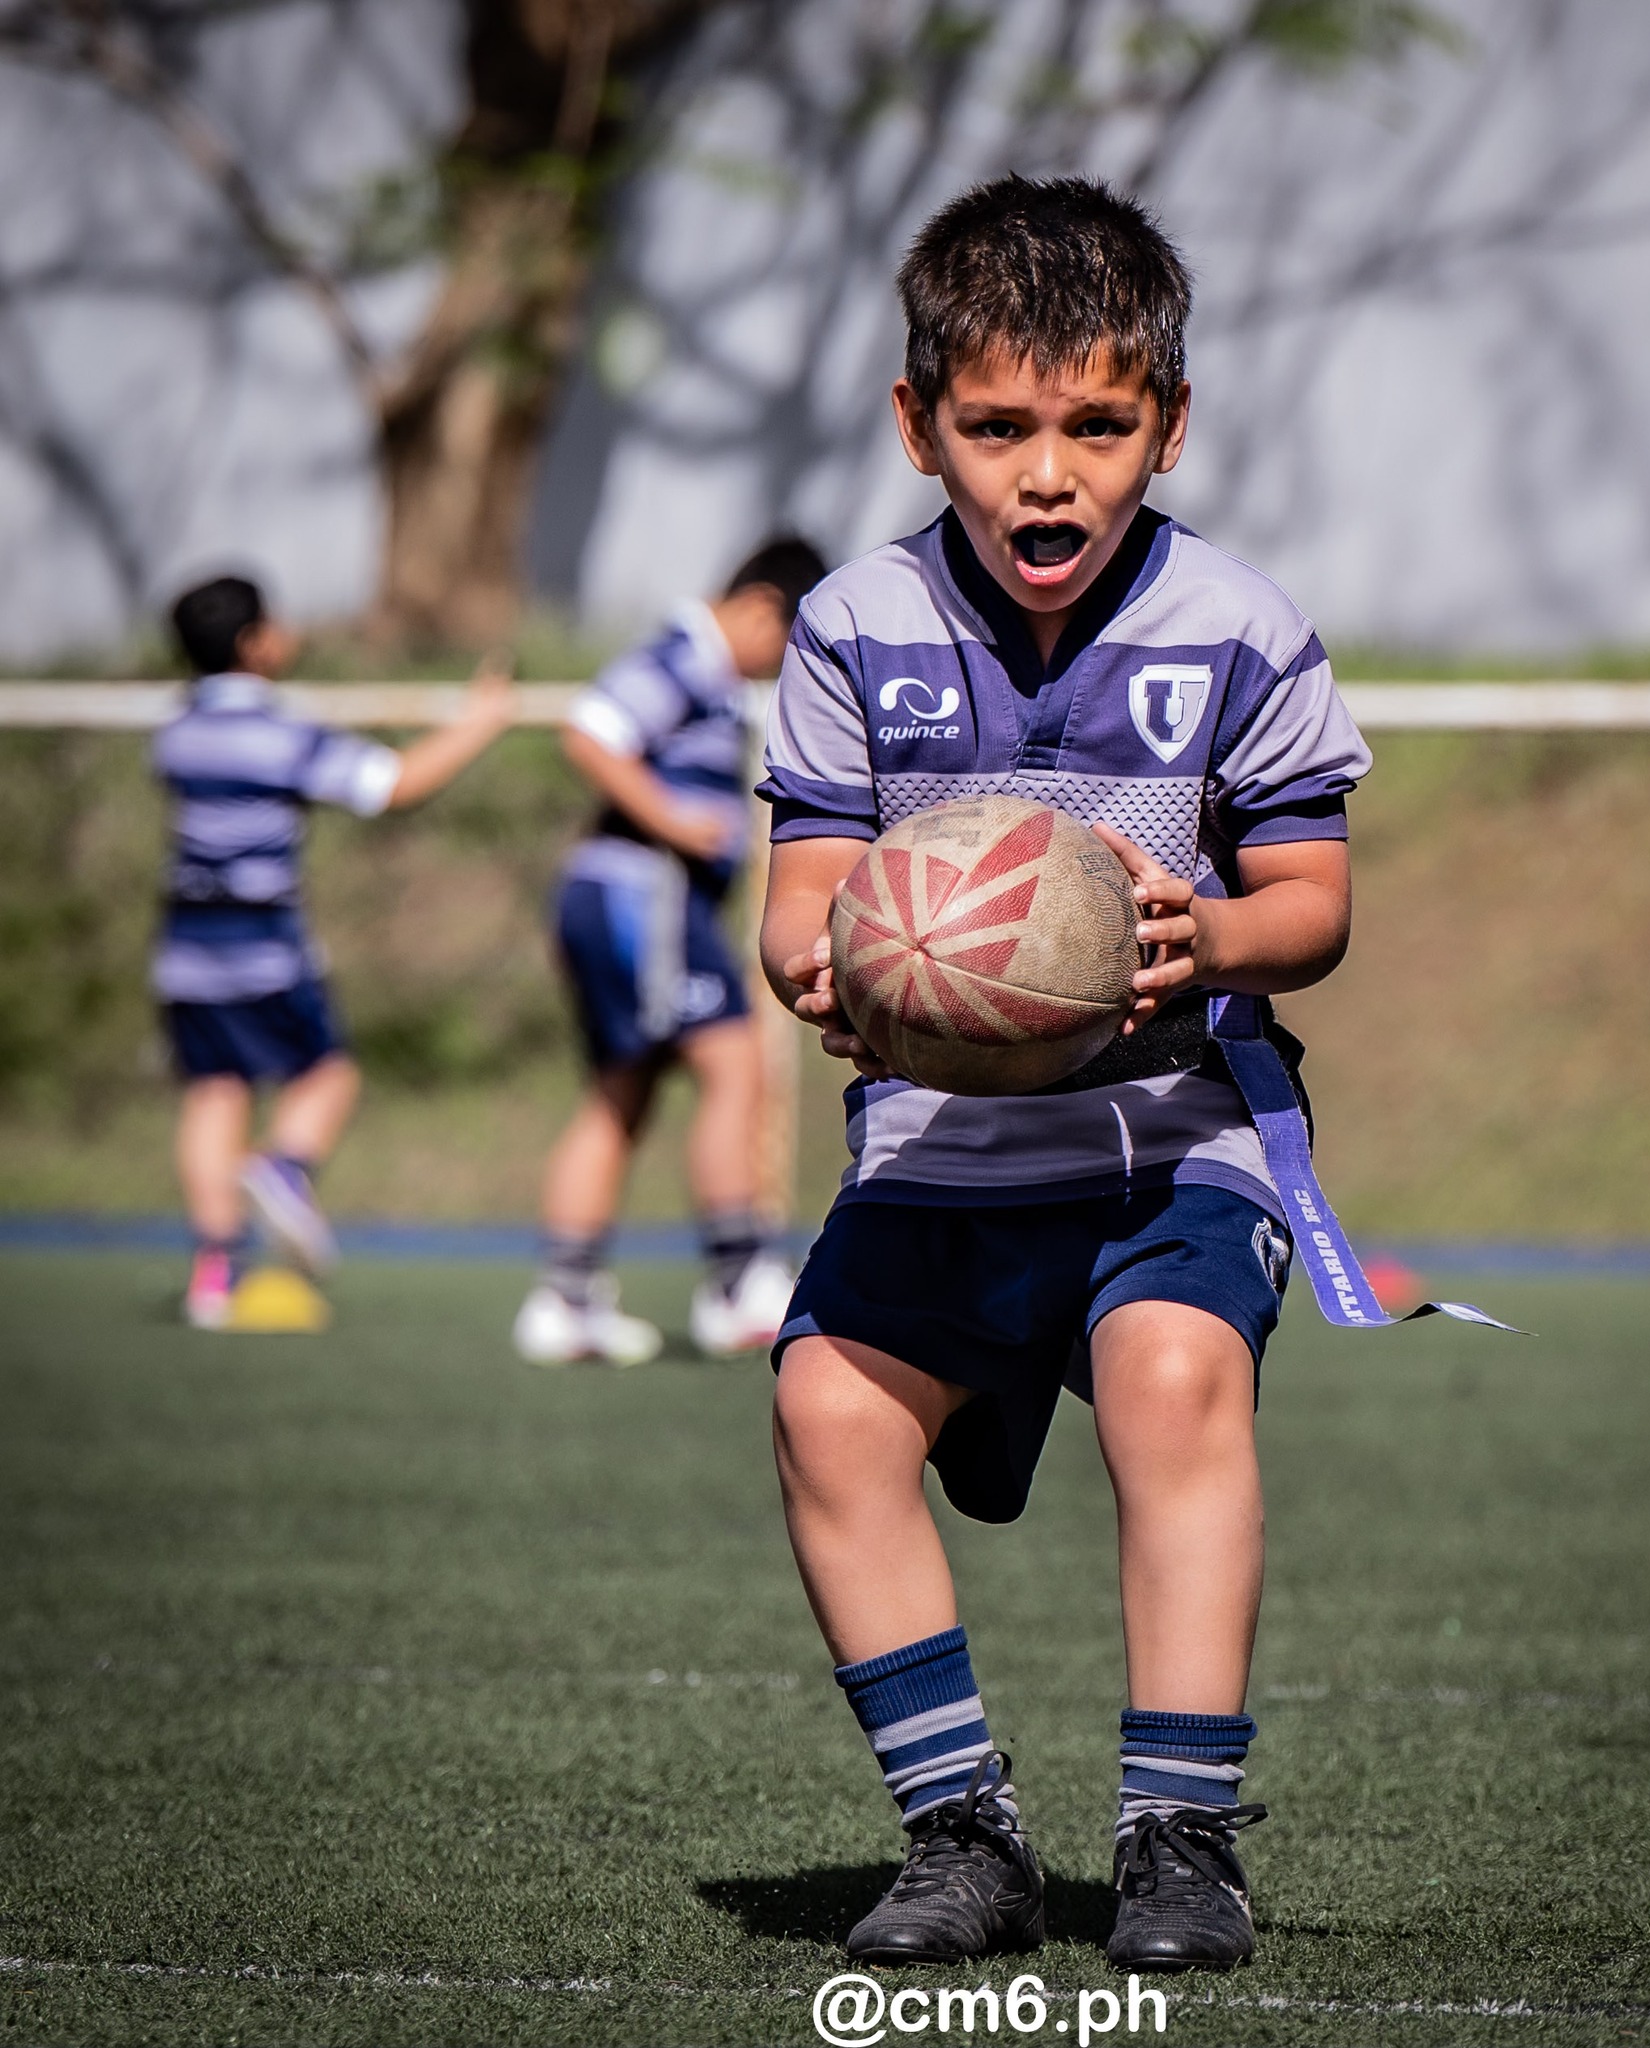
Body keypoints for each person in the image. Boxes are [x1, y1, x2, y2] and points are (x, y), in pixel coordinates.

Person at [757, 176, 1371, 1971]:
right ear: (914, 425)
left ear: (1165, 424)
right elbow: (800, 896)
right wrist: (836, 969)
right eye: (996, 426)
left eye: (1098, 426)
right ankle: (963, 1835)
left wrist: (1214, 938)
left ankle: (1177, 1835)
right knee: (823, 1408)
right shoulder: (849, 630)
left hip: (1171, 1134)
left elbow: (1314, 898)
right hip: (939, 1140)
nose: (1048, 473)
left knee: (1174, 1376)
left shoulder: (1238, 629)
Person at [155, 574, 512, 1330]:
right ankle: (284, 1167)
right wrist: (479, 722)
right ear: (255, 644)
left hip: (186, 953)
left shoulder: (178, 734)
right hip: (262, 951)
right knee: (327, 1073)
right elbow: (391, 783)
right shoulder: (280, 737)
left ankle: (214, 1276)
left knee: (214, 1092)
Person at [512, 538, 828, 1368]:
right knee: (734, 1065)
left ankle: (565, 1297)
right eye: (785, 644)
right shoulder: (684, 656)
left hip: (636, 898)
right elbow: (591, 731)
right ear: (762, 607)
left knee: (624, 1091)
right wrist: (675, 819)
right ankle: (737, 1283)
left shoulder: (711, 676)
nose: (776, 667)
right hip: (640, 893)